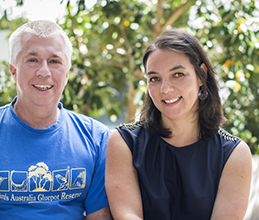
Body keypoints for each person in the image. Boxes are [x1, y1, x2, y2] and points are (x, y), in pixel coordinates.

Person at [0, 20, 112, 220]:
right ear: (13, 70)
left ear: (67, 73)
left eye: (55, 61)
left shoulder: (97, 139)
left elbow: (100, 217)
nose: (44, 71)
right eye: (32, 60)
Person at [105, 29, 252, 220]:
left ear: (201, 75)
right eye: (154, 79)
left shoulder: (234, 153)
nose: (165, 89)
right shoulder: (124, 142)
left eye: (178, 74)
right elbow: (127, 215)